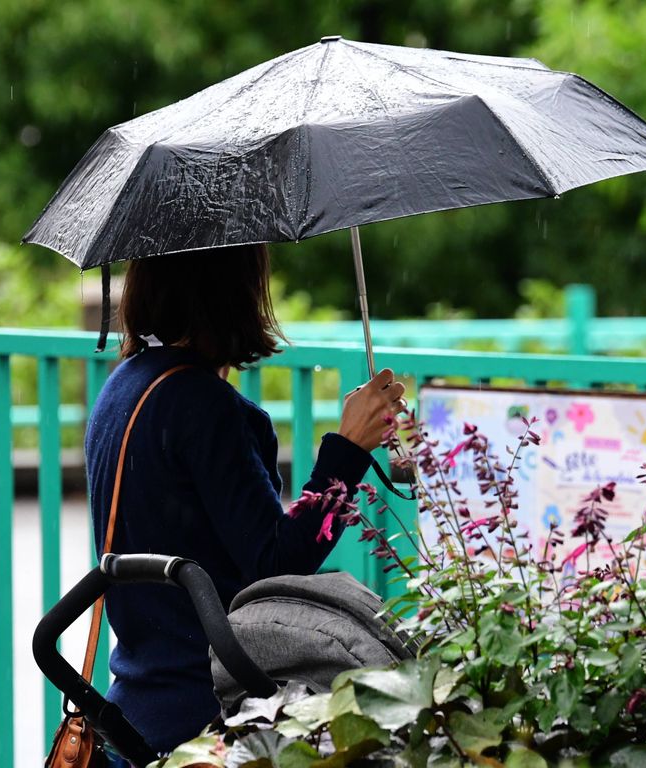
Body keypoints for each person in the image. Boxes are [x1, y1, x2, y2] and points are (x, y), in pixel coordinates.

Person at [84, 243, 405, 764]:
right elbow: (277, 564)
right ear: (234, 290)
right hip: (207, 722)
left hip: (134, 711)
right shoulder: (204, 407)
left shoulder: (125, 384)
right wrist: (348, 451)